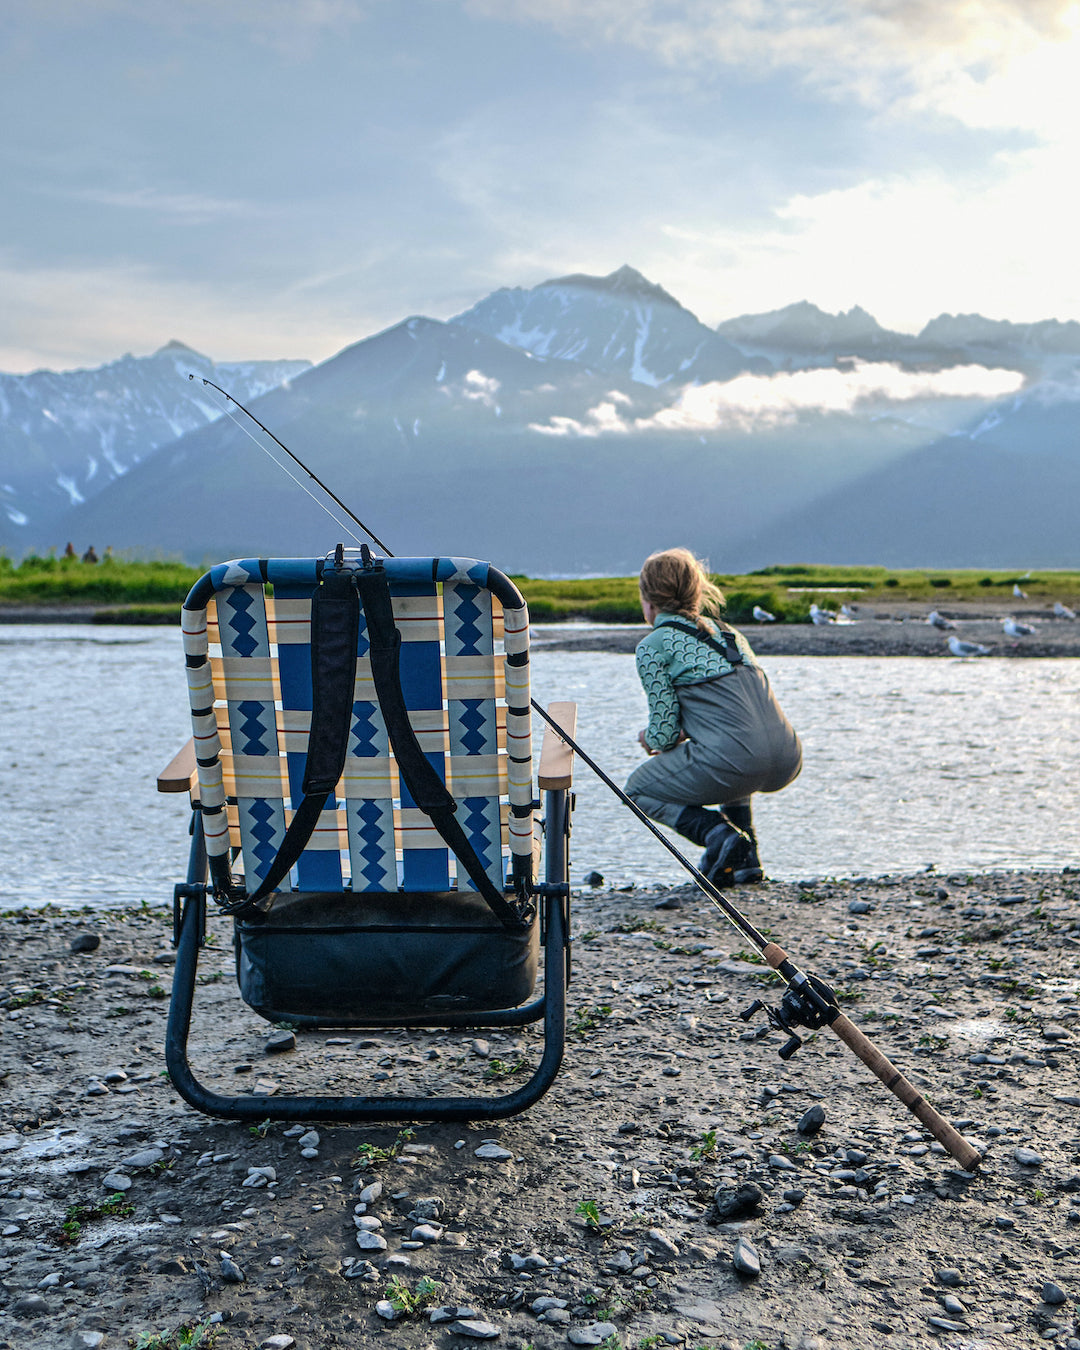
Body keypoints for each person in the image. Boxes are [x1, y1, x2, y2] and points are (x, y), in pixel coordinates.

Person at [625, 548, 802, 885]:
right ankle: (747, 858)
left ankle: (718, 835)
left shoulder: (654, 645)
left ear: (648, 601)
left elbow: (663, 734)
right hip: (787, 758)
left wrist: (649, 738)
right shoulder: (731, 635)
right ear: (697, 592)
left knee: (635, 790)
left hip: (738, 760)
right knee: (734, 745)